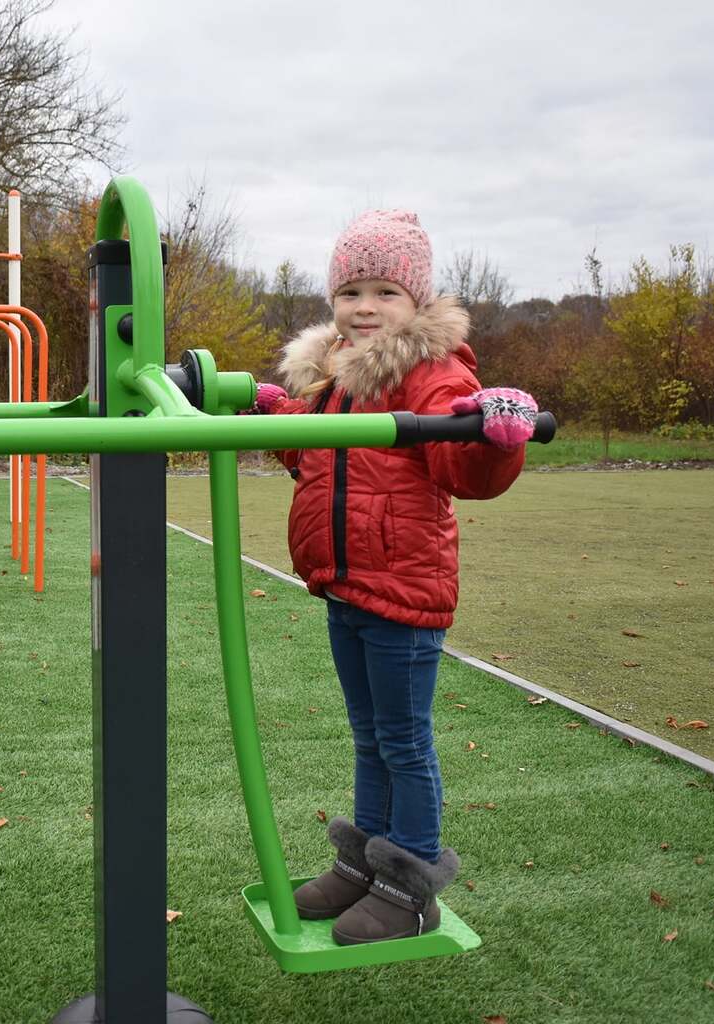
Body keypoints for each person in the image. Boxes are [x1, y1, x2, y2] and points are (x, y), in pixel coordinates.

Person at [252, 209, 538, 945]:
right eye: (352, 291)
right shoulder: (334, 375)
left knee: (403, 740)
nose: (366, 307)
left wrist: (493, 432)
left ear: (416, 302)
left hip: (404, 587)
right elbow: (312, 460)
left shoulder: (430, 372)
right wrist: (276, 414)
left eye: (385, 291)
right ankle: (363, 867)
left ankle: (410, 890)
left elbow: (460, 462)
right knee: (367, 734)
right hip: (344, 582)